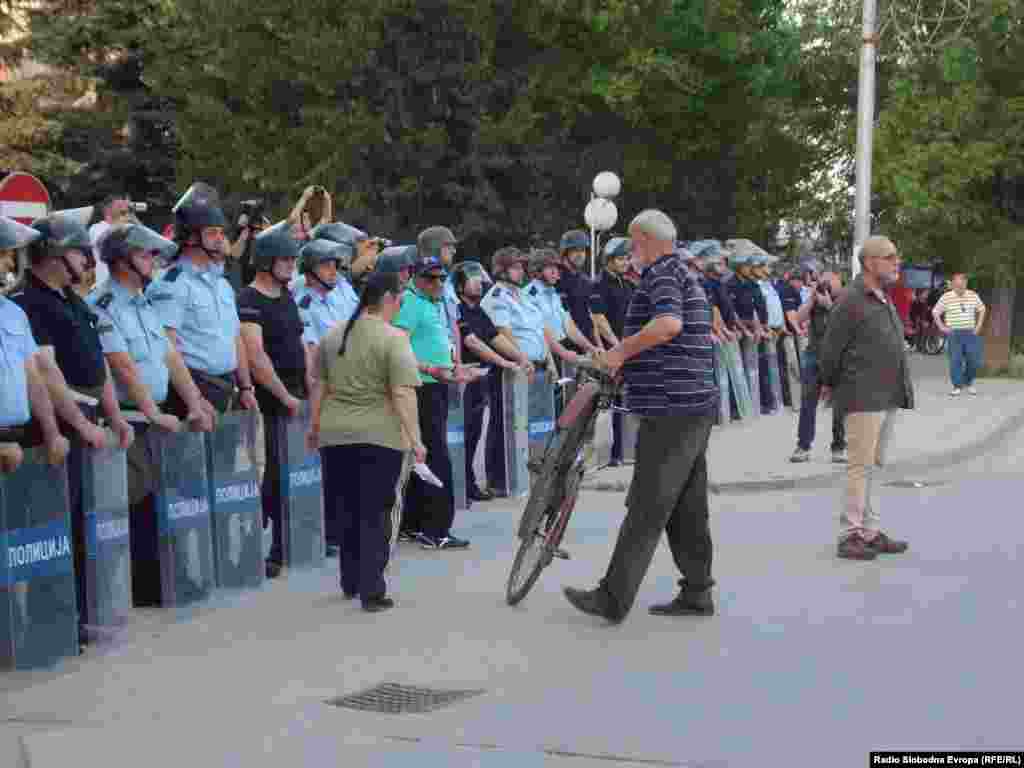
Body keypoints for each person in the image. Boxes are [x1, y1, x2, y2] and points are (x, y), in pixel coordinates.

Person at [563, 209, 718, 623]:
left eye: (633, 243)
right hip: (693, 405)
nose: (631, 252)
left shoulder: (664, 273)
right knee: (686, 506)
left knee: (647, 505)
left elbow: (668, 324)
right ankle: (698, 592)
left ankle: (612, 599)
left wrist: (618, 353)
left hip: (672, 408)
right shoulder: (684, 271)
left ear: (646, 241)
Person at [90, 222, 215, 605]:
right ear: (123, 260)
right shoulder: (104, 304)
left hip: (155, 416)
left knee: (157, 502)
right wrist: (151, 411)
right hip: (131, 419)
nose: (152, 261)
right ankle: (138, 589)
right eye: (144, 255)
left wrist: (194, 400)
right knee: (134, 504)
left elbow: (170, 356)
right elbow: (123, 366)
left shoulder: (145, 302)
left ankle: (159, 581)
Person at [306, 271, 422, 612]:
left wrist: (314, 427)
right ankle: (372, 590)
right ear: (387, 299)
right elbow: (403, 392)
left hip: (335, 434)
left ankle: (350, 579)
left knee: (347, 508)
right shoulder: (393, 338)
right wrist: (415, 438)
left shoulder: (333, 335)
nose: (400, 304)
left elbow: (319, 385)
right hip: (379, 437)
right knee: (375, 511)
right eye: (399, 298)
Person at [818, 236, 914, 561]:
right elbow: (831, 349)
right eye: (890, 257)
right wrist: (828, 383)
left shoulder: (881, 297)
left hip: (885, 394)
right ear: (870, 262)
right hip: (862, 394)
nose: (896, 262)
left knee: (872, 465)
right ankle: (850, 534)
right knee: (859, 465)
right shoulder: (851, 299)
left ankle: (869, 531)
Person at [147, 183, 259, 418]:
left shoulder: (221, 283)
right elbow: (167, 346)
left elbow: (235, 337)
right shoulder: (173, 282)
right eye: (211, 233)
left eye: (221, 232)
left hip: (227, 389)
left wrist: (246, 386)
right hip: (191, 393)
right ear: (190, 239)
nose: (220, 239)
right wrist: (194, 398)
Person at [237, 222, 308, 577]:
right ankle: (269, 550)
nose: (292, 266)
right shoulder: (249, 299)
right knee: (272, 475)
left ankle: (290, 542)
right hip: (268, 400)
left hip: (295, 393)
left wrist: (308, 388)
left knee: (291, 474)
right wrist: (283, 395)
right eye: (286, 260)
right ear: (266, 261)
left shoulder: (287, 296)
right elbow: (255, 355)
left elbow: (298, 343)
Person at [393, 254, 478, 549]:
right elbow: (399, 345)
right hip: (424, 386)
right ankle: (436, 529)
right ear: (416, 278)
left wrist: (454, 366)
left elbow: (440, 342)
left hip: (438, 383)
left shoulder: (431, 303)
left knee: (426, 456)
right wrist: (429, 368)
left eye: (442, 278)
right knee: (435, 457)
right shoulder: (413, 303)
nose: (438, 283)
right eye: (431, 278)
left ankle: (417, 523)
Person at [0, 216, 71, 474]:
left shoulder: (13, 312)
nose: (9, 262)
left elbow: (34, 377)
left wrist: (52, 433)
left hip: (17, 444)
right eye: (3, 254)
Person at [451, 261, 524, 502]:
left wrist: (520, 356)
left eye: (479, 278)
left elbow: (494, 337)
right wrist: (502, 362)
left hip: (480, 379)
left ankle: (468, 481)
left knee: (474, 433)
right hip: (463, 379)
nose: (479, 282)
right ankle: (462, 484)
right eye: (472, 278)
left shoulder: (478, 310)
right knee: (463, 433)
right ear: (460, 285)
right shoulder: (457, 309)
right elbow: (472, 342)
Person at [480, 247, 547, 496]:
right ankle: (498, 479)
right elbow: (504, 332)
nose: (521, 271)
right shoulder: (497, 295)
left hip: (532, 366)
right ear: (502, 269)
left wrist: (545, 358)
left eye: (521, 266)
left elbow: (537, 329)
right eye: (516, 267)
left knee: (525, 424)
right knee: (503, 422)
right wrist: (522, 361)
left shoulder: (521, 294)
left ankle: (521, 473)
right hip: (510, 369)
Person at [789, 271, 847, 464]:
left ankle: (839, 446)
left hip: (837, 358)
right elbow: (797, 318)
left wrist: (829, 305)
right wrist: (813, 299)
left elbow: (845, 324)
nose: (826, 287)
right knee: (807, 402)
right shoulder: (814, 300)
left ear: (839, 284)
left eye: (830, 283)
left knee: (839, 404)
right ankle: (803, 446)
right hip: (813, 355)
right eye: (823, 283)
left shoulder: (844, 299)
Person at [590, 237, 635, 465]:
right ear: (608, 260)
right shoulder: (599, 285)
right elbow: (598, 318)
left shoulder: (626, 284)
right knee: (604, 403)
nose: (626, 262)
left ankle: (621, 452)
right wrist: (617, 345)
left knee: (623, 400)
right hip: (611, 350)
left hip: (627, 349)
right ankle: (599, 456)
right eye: (621, 258)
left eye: (628, 258)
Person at [525, 248, 595, 375]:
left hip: (562, 349)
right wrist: (563, 353)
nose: (555, 272)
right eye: (549, 268)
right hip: (547, 354)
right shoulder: (530, 295)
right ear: (537, 270)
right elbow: (542, 331)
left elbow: (569, 326)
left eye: (556, 268)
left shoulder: (554, 292)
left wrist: (591, 348)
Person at [932, 272, 986, 396]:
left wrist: (978, 326)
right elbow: (935, 312)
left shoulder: (973, 295)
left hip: (970, 332)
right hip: (954, 332)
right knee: (955, 360)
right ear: (953, 284)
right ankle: (957, 386)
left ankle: (968, 382)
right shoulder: (946, 297)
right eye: (956, 285)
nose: (959, 287)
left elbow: (982, 309)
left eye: (961, 285)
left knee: (974, 360)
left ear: (966, 283)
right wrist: (942, 327)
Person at [556, 229, 599, 351]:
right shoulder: (556, 279)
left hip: (588, 346)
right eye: (575, 250)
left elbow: (592, 317)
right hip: (567, 348)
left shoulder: (585, 280)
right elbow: (564, 321)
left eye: (583, 250)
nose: (580, 254)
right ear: (565, 253)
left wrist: (598, 345)